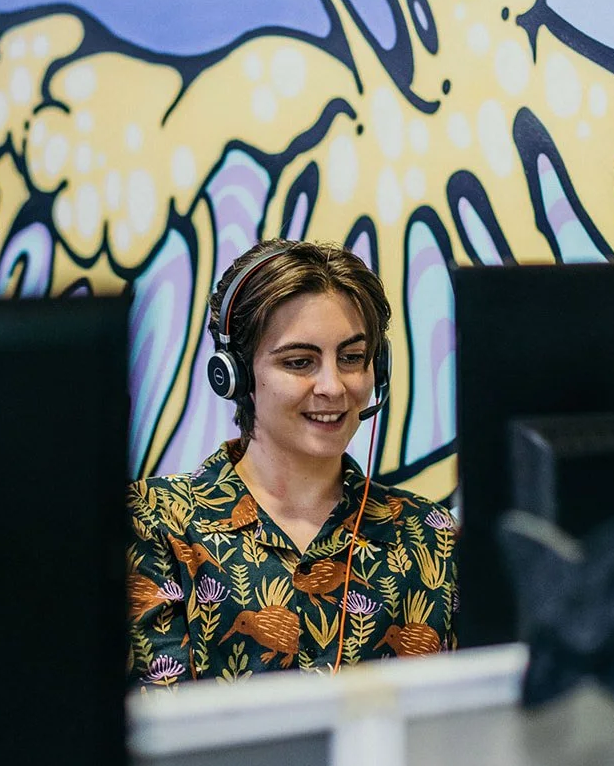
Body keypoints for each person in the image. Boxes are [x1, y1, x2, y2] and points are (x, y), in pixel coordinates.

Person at [127, 239, 457, 687]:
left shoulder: (432, 536)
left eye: (352, 358)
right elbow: (159, 728)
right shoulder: (155, 522)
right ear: (235, 374)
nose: (333, 387)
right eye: (300, 362)